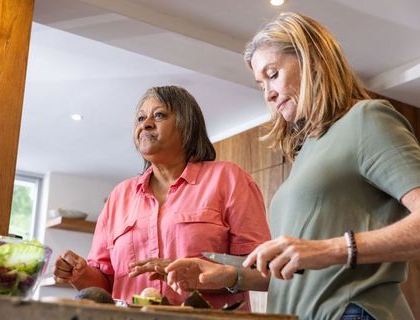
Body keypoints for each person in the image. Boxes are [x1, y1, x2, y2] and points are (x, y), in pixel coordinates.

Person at [165, 12, 420, 320]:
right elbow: (301, 272)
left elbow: (323, 256)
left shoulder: (367, 119)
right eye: (261, 85)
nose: (269, 94)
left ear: (313, 60)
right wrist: (231, 276)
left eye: (273, 74)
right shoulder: (308, 151)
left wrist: (329, 250)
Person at [53, 85, 270, 309]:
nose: (145, 124)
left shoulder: (228, 178)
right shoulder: (119, 196)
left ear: (187, 125)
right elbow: (106, 285)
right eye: (140, 118)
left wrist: (203, 277)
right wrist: (79, 273)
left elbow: (262, 272)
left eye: (159, 115)